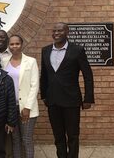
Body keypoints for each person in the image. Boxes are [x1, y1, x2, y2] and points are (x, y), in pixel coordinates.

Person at [40, 22, 95, 158]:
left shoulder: (77, 50)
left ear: (67, 32)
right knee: (58, 136)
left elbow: (87, 75)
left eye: (60, 30)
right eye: (54, 30)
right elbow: (44, 75)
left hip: (71, 100)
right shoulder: (45, 50)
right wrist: (44, 95)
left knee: (73, 136)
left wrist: (88, 98)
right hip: (52, 100)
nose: (56, 33)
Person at [3, 35, 39, 158]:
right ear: (9, 45)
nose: (14, 46)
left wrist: (27, 107)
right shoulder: (4, 62)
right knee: (15, 139)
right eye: (12, 44)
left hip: (26, 108)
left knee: (26, 139)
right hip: (11, 108)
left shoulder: (31, 61)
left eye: (17, 44)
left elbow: (35, 85)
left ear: (22, 44)